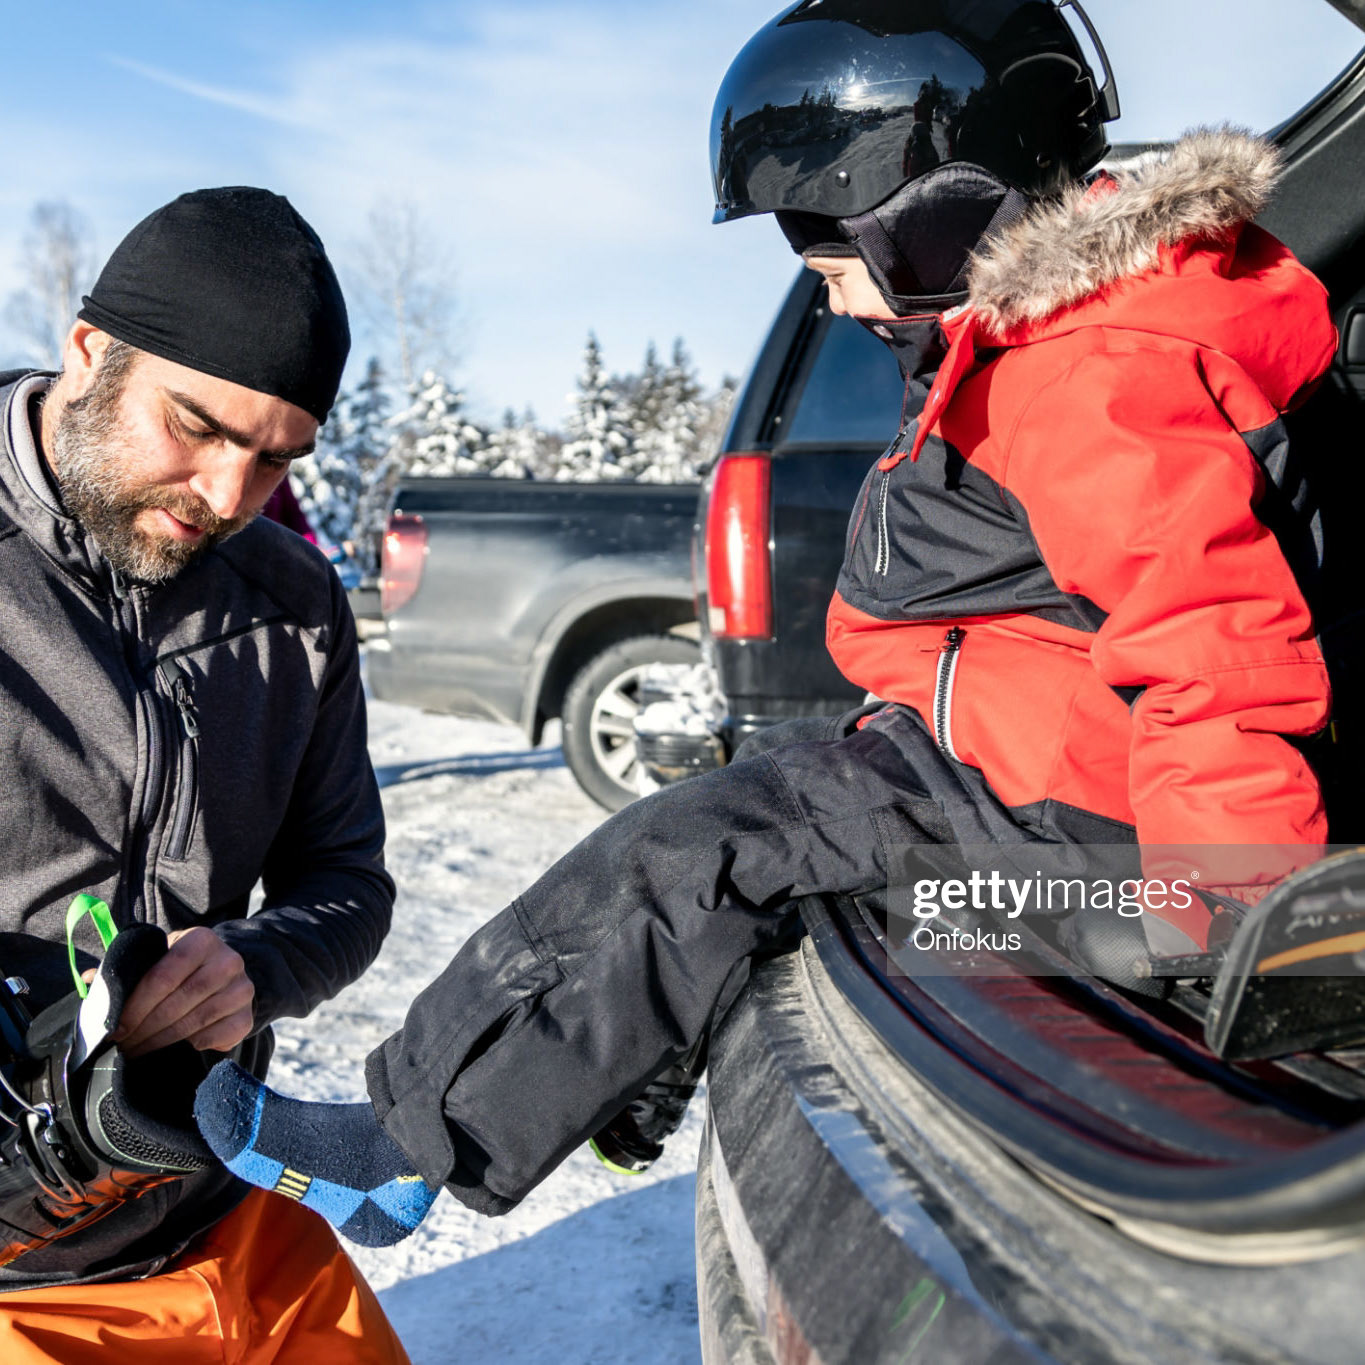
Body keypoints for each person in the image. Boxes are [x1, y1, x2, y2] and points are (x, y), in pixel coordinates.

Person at [194, 0, 1338, 1240]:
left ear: (932, 209)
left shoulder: (1094, 372)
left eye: (830, 262)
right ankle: (625, 1060)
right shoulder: (1036, 346)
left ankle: (400, 1145)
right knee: (769, 843)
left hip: (1106, 859)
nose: (838, 301)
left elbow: (1215, 646)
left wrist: (1234, 916)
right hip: (1017, 796)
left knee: (703, 848)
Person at [0, 188, 407, 1362]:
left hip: (225, 1206)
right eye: (196, 426)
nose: (229, 499)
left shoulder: (295, 604)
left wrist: (249, 966)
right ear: (90, 354)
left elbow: (347, 881)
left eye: (277, 459)